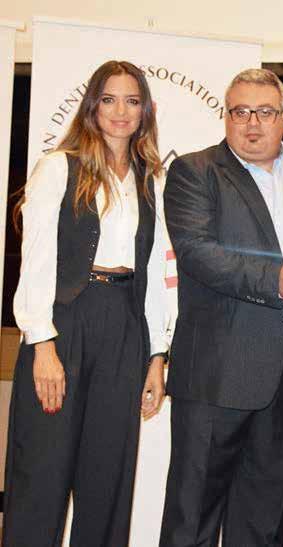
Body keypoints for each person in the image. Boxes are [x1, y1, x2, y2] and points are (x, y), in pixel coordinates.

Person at [3, 60, 171, 547]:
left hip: (125, 327)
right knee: (42, 473)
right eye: (110, 99)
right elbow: (36, 261)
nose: (121, 111)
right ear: (93, 106)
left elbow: (154, 273)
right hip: (64, 325)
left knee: (108, 480)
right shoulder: (59, 167)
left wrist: (156, 355)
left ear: (145, 111)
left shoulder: (151, 179)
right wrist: (43, 345)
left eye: (132, 101)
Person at [159, 68, 283, 547]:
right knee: (192, 518)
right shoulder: (195, 171)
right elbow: (197, 253)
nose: (252, 123)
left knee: (263, 521)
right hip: (217, 373)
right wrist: (276, 280)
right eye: (240, 112)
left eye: (265, 112)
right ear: (226, 117)